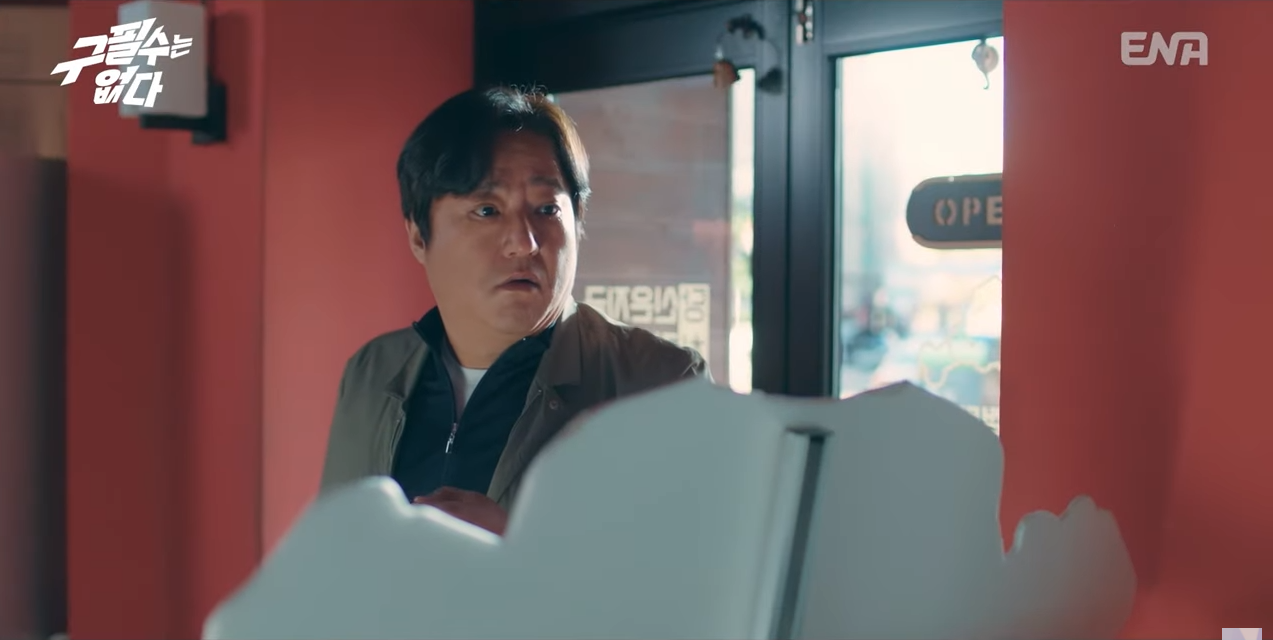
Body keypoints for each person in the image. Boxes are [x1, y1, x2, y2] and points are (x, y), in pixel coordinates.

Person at [318, 86, 710, 536]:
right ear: (419, 236)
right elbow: (333, 551)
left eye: (547, 209)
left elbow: (704, 570)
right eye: (487, 210)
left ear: (578, 219)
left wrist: (522, 549)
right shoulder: (371, 373)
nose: (524, 243)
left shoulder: (660, 383)